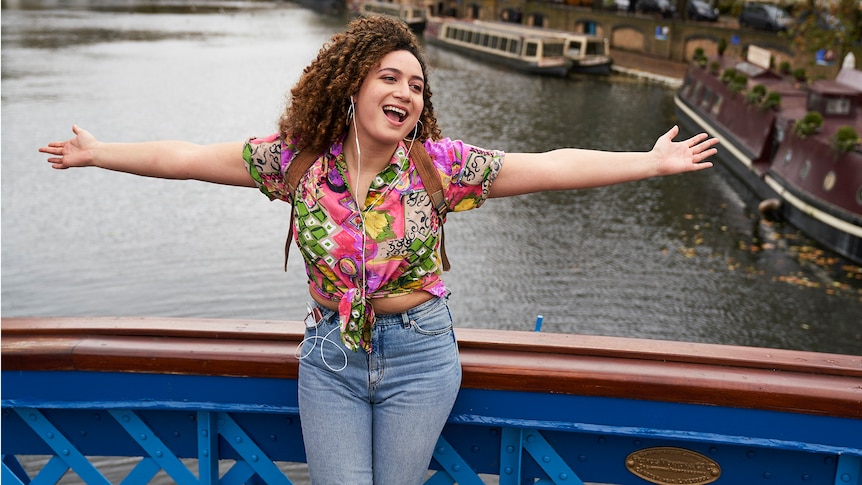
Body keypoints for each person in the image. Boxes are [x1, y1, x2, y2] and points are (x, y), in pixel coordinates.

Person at [39, 15, 718, 485]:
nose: (406, 93)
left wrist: (647, 163)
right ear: (354, 83)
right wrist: (101, 154)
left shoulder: (439, 168)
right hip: (330, 358)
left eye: (418, 86)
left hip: (421, 355)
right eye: (392, 78)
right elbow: (186, 156)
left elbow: (549, 164)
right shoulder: (296, 163)